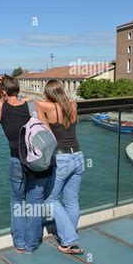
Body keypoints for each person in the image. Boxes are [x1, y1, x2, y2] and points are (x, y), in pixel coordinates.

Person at [0, 75, 50, 254]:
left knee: (17, 200)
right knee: (35, 202)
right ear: (18, 89)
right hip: (38, 160)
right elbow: (46, 132)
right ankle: (31, 245)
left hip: (17, 160)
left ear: (4, 92)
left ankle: (19, 242)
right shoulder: (34, 106)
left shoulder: (1, 107)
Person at [36, 80, 85, 254]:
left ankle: (69, 239)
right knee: (72, 201)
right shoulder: (73, 105)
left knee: (50, 199)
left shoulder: (45, 107)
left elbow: (44, 130)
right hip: (78, 156)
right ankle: (69, 237)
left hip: (61, 158)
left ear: (48, 93)